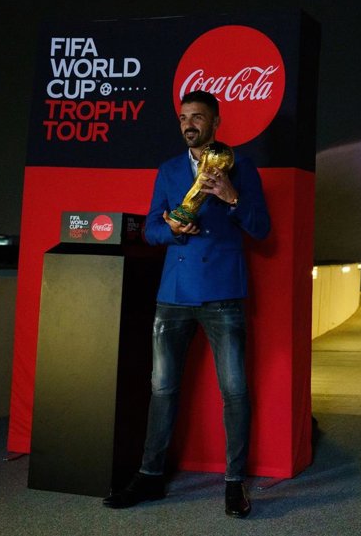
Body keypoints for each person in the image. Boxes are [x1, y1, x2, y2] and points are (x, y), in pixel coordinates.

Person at [103, 90, 271, 517]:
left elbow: (262, 229)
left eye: (197, 116)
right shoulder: (168, 170)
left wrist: (233, 197)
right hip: (174, 294)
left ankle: (234, 482)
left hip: (223, 294)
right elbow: (150, 230)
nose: (189, 124)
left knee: (234, 391)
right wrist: (173, 231)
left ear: (215, 122)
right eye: (183, 118)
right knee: (162, 389)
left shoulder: (242, 167)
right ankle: (150, 477)